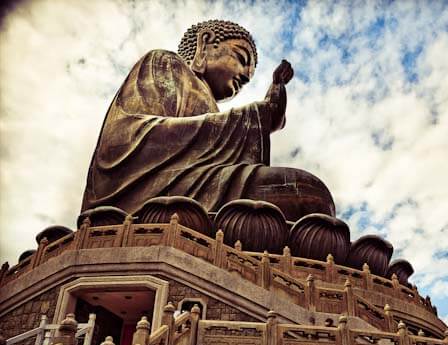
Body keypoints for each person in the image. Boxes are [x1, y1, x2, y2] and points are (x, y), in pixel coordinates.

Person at [82, 19, 335, 221]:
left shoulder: (213, 108)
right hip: (157, 193)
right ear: (206, 43)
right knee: (308, 195)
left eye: (250, 75)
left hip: (210, 183)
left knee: (311, 196)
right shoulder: (165, 64)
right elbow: (124, 139)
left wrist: (272, 99)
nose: (246, 76)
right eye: (242, 59)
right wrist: (248, 119)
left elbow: (255, 130)